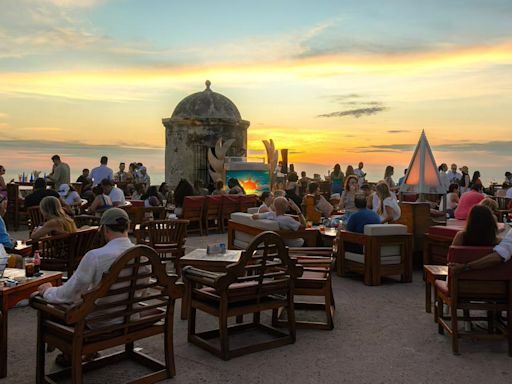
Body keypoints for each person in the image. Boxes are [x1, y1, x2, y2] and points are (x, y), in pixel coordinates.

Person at [36, 208, 137, 365]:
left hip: (98, 324)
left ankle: (71, 354)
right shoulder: (142, 254)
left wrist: (47, 290)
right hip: (129, 318)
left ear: (105, 229)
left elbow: (68, 294)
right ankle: (87, 352)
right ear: (128, 227)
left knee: (47, 306)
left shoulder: (96, 256)